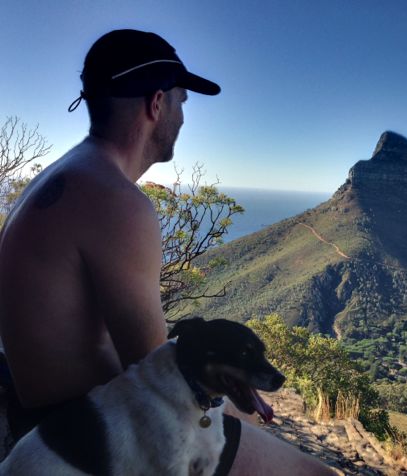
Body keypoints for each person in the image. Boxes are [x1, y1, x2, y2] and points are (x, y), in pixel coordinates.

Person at [0, 29, 333, 475]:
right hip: (95, 430)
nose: (182, 117)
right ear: (156, 104)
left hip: (45, 413)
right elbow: (165, 369)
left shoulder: (61, 177)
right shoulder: (116, 201)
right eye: (182, 102)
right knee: (315, 473)